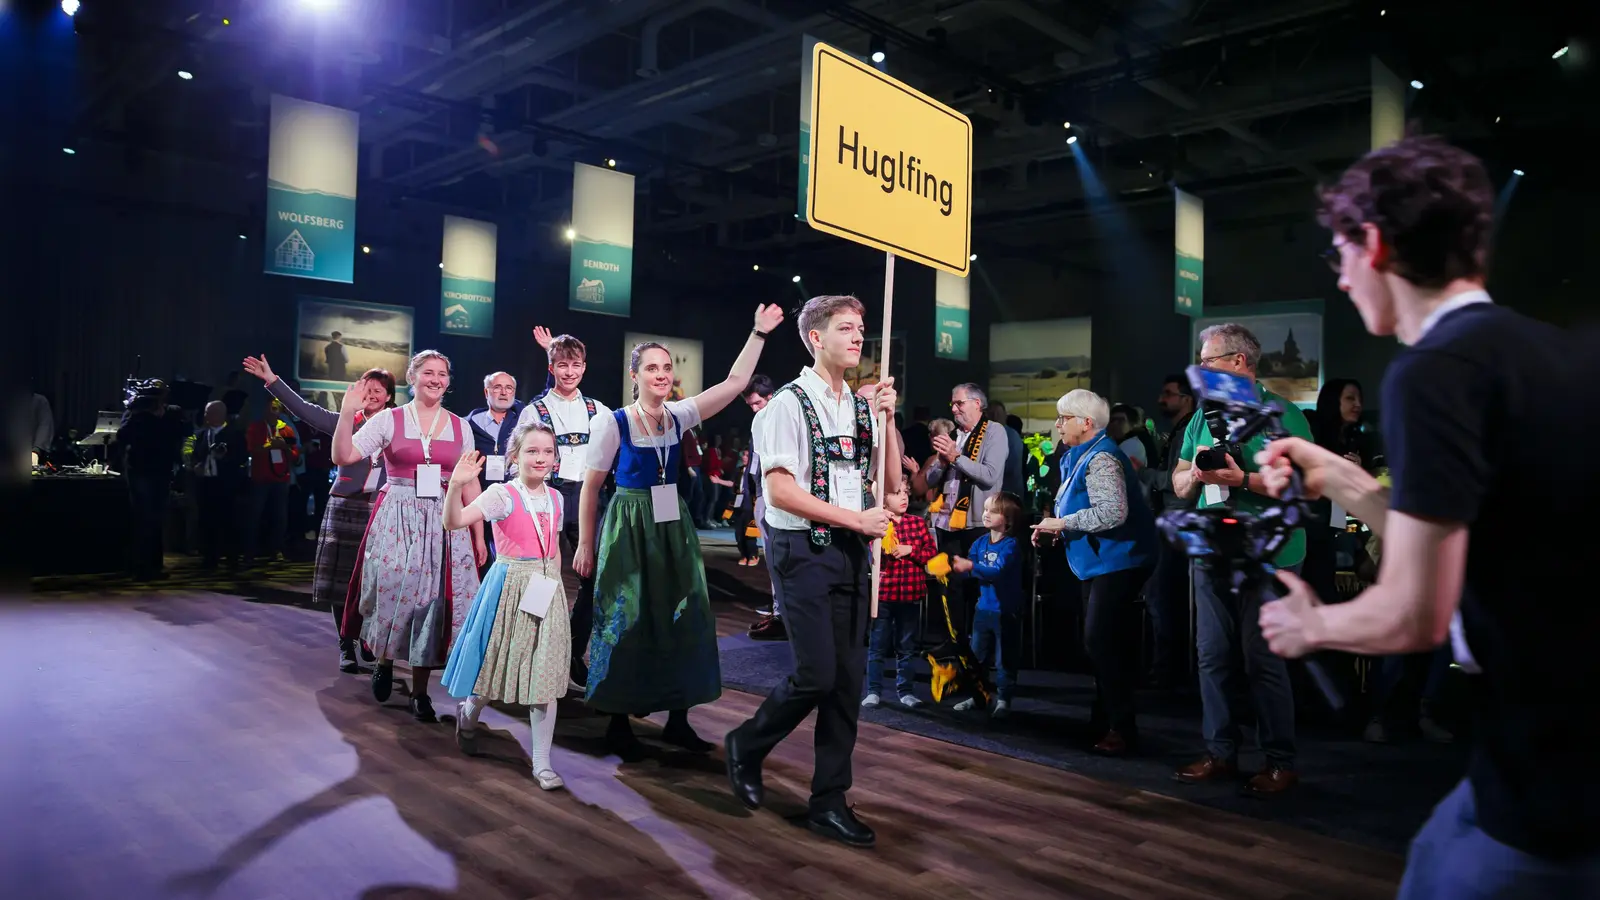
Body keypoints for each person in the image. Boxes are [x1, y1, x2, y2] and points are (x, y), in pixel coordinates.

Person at [1255, 134, 1600, 896]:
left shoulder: (1432, 372)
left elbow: (1413, 614)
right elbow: (1478, 535)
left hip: (1550, 754)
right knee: (1433, 860)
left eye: (1338, 255)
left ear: (1373, 245)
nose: (1341, 279)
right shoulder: (1540, 352)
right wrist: (1345, 480)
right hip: (1538, 736)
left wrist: (1311, 628)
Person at [725, 293, 901, 849]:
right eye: (846, 328)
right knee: (817, 674)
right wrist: (853, 517)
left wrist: (889, 423)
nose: (857, 338)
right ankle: (747, 745)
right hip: (802, 550)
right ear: (814, 338)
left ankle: (828, 800)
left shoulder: (861, 406)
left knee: (849, 684)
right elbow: (780, 490)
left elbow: (893, 490)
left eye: (861, 329)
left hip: (853, 549)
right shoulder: (785, 405)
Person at [576, 305, 786, 759]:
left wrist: (758, 333)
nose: (661, 374)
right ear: (635, 375)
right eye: (651, 368)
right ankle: (617, 718)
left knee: (683, 616)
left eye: (667, 367)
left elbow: (733, 384)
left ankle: (677, 718)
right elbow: (590, 487)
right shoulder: (611, 422)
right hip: (630, 526)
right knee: (627, 618)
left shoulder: (678, 415)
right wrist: (587, 545)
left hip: (672, 528)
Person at [1169, 322, 1314, 796]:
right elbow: (1178, 482)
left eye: (1207, 361)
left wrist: (1241, 480)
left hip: (1268, 553)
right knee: (1211, 655)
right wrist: (1193, 474)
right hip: (1212, 549)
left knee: (1262, 659)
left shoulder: (1283, 414)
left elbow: (1298, 486)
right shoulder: (1201, 418)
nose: (1200, 370)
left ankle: (1280, 760)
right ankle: (1220, 752)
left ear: (1238, 363)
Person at [332, 351, 487, 723]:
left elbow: (469, 483)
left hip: (445, 518)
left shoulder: (460, 426)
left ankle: (420, 692)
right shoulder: (390, 419)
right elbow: (344, 455)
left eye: (443, 374)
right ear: (412, 377)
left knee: (435, 604)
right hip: (399, 515)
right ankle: (384, 659)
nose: (436, 379)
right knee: (394, 593)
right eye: (428, 373)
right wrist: (345, 412)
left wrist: (479, 534)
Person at [244, 353, 396, 673]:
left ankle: (368, 635)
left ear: (390, 398)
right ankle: (346, 643)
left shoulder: (397, 426)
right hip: (345, 505)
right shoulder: (345, 421)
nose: (371, 395)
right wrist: (272, 381)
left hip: (381, 508)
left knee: (376, 578)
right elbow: (303, 409)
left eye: (378, 390)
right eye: (366, 389)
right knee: (340, 578)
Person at [441, 425, 570, 791]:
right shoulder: (502, 494)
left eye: (547, 451)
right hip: (510, 585)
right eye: (532, 451)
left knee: (541, 673)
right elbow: (453, 522)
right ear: (515, 456)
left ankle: (542, 763)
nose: (541, 458)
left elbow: (554, 546)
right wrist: (454, 486)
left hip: (545, 587)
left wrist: (555, 586)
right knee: (494, 669)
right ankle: (469, 713)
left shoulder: (557, 498)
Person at [1033, 389, 1159, 755]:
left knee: (1102, 642)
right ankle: (1106, 720)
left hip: (1120, 560)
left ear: (1086, 424)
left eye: (1063, 418)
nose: (1057, 425)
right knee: (1102, 642)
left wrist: (1061, 522)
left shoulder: (1101, 458)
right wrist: (1059, 529)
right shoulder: (1077, 455)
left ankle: (1121, 727)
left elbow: (1112, 513)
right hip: (1101, 561)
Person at [518, 327, 612, 690]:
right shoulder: (535, 410)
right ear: (552, 367)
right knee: (543, 577)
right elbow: (521, 459)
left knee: (594, 579)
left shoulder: (598, 410)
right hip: (550, 498)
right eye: (562, 365)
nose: (569, 371)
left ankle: (572, 649)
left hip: (588, 498)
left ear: (584, 368)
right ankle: (529, 653)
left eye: (575, 365)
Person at [925, 384, 1010, 643]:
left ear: (977, 404)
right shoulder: (952, 434)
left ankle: (979, 648)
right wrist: (941, 461)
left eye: (959, 403)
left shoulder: (994, 432)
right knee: (951, 586)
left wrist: (955, 457)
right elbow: (930, 480)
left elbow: (990, 476)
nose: (953, 409)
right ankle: (954, 642)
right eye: (952, 404)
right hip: (947, 522)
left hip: (976, 523)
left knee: (976, 586)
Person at [862, 480, 936, 709]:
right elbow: (868, 552)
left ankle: (906, 691)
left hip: (910, 594)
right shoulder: (877, 523)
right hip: (884, 594)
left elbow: (931, 553)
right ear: (883, 499)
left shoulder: (917, 523)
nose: (904, 497)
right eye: (897, 493)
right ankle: (873, 690)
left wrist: (911, 550)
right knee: (877, 646)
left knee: (906, 647)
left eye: (906, 492)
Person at [950, 492, 1024, 719]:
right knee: (977, 658)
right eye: (985, 509)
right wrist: (951, 569)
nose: (985, 514)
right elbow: (969, 571)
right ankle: (978, 696)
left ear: (1008, 518)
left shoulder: (1011, 545)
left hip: (1005, 613)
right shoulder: (979, 542)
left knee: (1005, 659)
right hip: (983, 611)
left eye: (992, 511)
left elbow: (996, 572)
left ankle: (1003, 700)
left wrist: (970, 566)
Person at [187, 400, 248, 572]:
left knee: (229, 522)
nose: (206, 416)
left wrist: (226, 459)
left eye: (209, 413)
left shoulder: (234, 434)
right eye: (206, 413)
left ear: (220, 415)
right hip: (206, 483)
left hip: (226, 485)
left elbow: (242, 457)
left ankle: (231, 558)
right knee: (207, 521)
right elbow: (193, 455)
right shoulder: (200, 435)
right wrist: (195, 465)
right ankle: (209, 558)